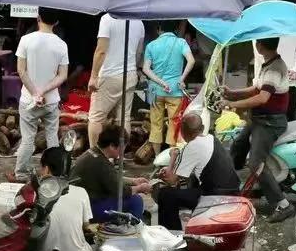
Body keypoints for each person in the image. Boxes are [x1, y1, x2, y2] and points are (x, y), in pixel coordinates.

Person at [223, 38, 295, 223]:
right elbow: (256, 88)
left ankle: (283, 204)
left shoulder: (274, 68)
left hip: (270, 122)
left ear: (259, 46)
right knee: (238, 146)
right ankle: (231, 189)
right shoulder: (268, 64)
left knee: (255, 164)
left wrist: (232, 104)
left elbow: (262, 98)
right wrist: (232, 92)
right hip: (259, 119)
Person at [12, 8, 69, 182]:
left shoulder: (26, 40)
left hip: (28, 100)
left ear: (38, 18)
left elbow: (21, 71)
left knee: (28, 138)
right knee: (52, 137)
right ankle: (53, 172)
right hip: (51, 101)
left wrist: (35, 92)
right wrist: (43, 92)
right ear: (57, 22)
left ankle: (22, 173)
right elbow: (63, 75)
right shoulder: (61, 44)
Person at [156, 114, 240, 230]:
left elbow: (171, 180)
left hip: (214, 197)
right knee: (193, 180)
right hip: (234, 191)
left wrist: (173, 157)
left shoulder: (191, 147)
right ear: (202, 128)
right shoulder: (212, 138)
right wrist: (174, 169)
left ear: (182, 132)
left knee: (166, 194)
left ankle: (171, 235)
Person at [70, 123, 151, 222]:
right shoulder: (100, 163)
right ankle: (130, 232)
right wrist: (140, 188)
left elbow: (111, 178)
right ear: (112, 146)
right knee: (136, 200)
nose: (123, 152)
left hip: (81, 203)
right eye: (123, 148)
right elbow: (121, 191)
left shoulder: (92, 153)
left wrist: (133, 181)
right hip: (89, 209)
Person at [88, 13, 146, 148]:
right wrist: (133, 66)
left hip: (109, 74)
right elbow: (139, 52)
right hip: (130, 73)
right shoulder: (139, 22)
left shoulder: (107, 19)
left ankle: (95, 153)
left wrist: (93, 76)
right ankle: (118, 155)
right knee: (124, 117)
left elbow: (101, 50)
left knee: (96, 117)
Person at [36, 147, 94, 251]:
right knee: (90, 245)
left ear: (46, 169)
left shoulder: (36, 193)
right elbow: (86, 226)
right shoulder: (81, 192)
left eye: (41, 168)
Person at [143, 20, 195, 155]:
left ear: (159, 29)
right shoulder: (181, 42)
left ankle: (156, 157)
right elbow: (191, 60)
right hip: (175, 91)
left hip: (156, 91)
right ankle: (170, 158)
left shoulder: (151, 45)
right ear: (176, 29)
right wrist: (182, 78)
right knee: (174, 123)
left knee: (156, 124)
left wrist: (160, 82)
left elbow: (146, 69)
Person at [255, 36, 296, 120]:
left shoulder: (293, 29)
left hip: (289, 79)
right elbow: (258, 57)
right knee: (266, 115)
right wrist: (257, 79)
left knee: (288, 116)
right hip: (266, 78)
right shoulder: (262, 31)